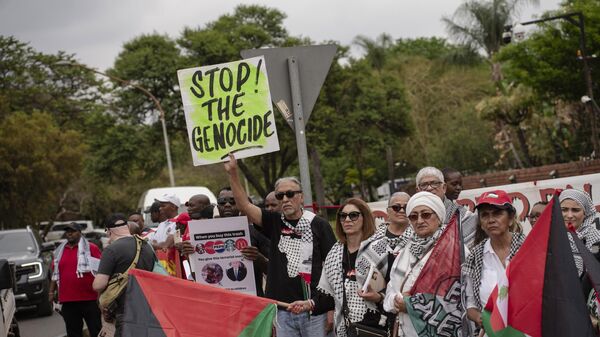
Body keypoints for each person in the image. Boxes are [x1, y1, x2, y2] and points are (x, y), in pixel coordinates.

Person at [224, 153, 337, 337]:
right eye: (280, 195)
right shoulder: (274, 221)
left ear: (301, 197)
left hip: (313, 309)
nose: (285, 199)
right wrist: (233, 173)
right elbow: (244, 205)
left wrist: (330, 308)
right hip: (283, 310)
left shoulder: (319, 224)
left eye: (290, 194)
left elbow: (333, 267)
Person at [288, 198, 382, 336]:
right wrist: (308, 304)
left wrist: (378, 297)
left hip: (374, 326)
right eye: (343, 216)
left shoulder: (379, 250)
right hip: (345, 328)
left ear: (365, 218)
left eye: (353, 215)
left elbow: (392, 293)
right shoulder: (334, 253)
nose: (347, 220)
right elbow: (329, 296)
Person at [383, 191, 448, 336]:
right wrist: (397, 300)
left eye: (425, 215)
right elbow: (390, 293)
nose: (419, 221)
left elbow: (457, 299)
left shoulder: (453, 248)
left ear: (438, 217)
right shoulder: (405, 249)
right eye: (413, 216)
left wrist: (413, 305)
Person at [462, 190, 526, 333]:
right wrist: (482, 319)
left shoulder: (529, 249)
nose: (491, 220)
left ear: (510, 219)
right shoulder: (474, 257)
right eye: (485, 215)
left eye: (497, 213)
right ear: (481, 223)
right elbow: (470, 304)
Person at [355, 192, 413, 333]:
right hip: (377, 315)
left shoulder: (418, 242)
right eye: (396, 207)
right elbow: (363, 275)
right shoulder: (372, 242)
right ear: (388, 211)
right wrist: (378, 297)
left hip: (409, 312)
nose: (401, 210)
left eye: (405, 207)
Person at [93, 214, 154, 337]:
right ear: (127, 226)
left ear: (109, 231)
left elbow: (99, 285)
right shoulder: (147, 246)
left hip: (123, 311)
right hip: (147, 308)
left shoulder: (111, 250)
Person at [49, 222, 102, 337]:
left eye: (73, 231)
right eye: (67, 231)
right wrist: (51, 292)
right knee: (73, 333)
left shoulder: (91, 248)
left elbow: (101, 271)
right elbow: (55, 273)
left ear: (80, 233)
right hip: (68, 301)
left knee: (96, 332)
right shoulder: (59, 251)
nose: (69, 234)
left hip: (90, 299)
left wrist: (101, 294)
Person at [416, 166, 476, 246]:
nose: (429, 188)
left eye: (434, 183)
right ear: (418, 191)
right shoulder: (412, 219)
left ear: (444, 188)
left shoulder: (464, 217)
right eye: (424, 185)